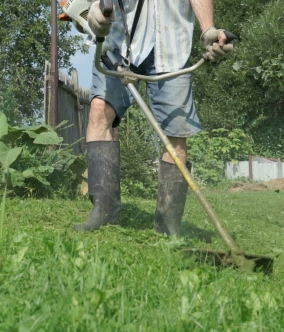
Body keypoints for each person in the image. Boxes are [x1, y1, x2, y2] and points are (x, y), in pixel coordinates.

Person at [73, 0, 233, 234]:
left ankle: (168, 223)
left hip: (172, 48)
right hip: (118, 44)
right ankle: (103, 211)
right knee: (99, 110)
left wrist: (209, 30)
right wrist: (94, 11)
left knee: (176, 136)